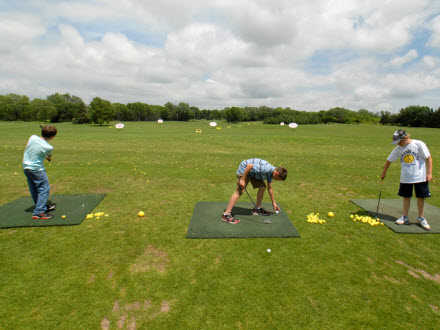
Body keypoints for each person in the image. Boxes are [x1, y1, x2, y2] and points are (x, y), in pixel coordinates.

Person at [380, 129, 433, 230]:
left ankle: (421, 218)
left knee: (421, 197)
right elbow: (389, 160)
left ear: (405, 138)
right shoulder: (399, 148)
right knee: (406, 197)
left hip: (420, 177)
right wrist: (384, 172)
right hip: (405, 177)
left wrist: (429, 173)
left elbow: (429, 158)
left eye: (399, 141)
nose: (398, 144)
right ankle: (404, 217)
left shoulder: (418, 144)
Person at [222, 158, 288, 224]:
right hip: (245, 169)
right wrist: (242, 179)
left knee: (262, 187)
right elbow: (249, 166)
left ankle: (257, 209)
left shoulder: (271, 172)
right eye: (277, 179)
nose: (276, 180)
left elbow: (269, 188)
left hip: (253, 173)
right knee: (239, 191)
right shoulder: (266, 169)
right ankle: (226, 214)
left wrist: (274, 203)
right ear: (276, 173)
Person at [23, 125, 57, 220]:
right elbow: (49, 158)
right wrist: (47, 157)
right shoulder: (48, 147)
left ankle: (42, 207)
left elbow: (28, 147)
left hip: (26, 167)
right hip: (37, 169)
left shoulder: (32, 137)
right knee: (44, 189)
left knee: (34, 188)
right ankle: (39, 212)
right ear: (52, 137)